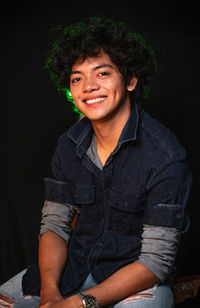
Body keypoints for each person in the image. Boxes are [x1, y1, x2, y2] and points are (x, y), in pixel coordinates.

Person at [0, 17, 192, 308]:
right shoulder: (68, 145)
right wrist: (51, 293)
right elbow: (55, 225)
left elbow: (155, 262)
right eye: (77, 78)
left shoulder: (165, 156)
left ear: (130, 80)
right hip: (72, 271)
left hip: (134, 281)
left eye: (102, 73)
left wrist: (77, 304)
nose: (88, 86)